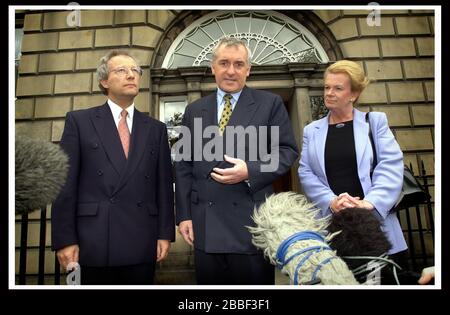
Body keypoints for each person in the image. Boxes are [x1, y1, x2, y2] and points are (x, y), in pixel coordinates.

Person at [175, 37, 299, 285]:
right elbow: (183, 165)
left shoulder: (270, 103)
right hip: (205, 225)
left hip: (250, 225)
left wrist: (251, 171)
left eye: (238, 64)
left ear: (248, 70)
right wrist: (184, 215)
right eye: (224, 63)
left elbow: (286, 151)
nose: (231, 71)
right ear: (213, 67)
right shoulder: (194, 109)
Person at [51, 50, 175, 285]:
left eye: (135, 71)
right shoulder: (79, 121)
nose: (131, 75)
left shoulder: (155, 128)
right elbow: (64, 183)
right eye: (121, 70)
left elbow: (164, 186)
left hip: (141, 239)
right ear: (104, 81)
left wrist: (164, 234)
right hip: (93, 241)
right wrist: (65, 239)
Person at [298, 60, 408, 276]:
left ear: (353, 94)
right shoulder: (312, 130)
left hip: (374, 225)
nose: (329, 93)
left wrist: (368, 204)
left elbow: (390, 164)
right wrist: (331, 201)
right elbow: (306, 172)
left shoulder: (374, 122)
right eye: (327, 87)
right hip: (333, 226)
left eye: (338, 88)